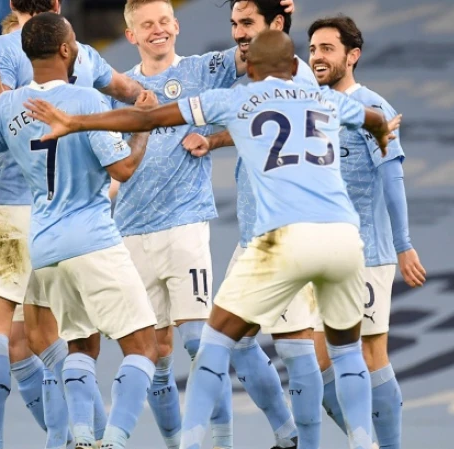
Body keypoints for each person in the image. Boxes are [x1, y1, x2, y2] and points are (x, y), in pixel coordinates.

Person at [24, 29, 396, 449]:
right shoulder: (326, 99)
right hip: (343, 237)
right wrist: (383, 135)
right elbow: (373, 118)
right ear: (296, 66)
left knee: (214, 342)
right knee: (347, 354)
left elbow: (147, 119)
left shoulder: (236, 100)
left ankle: (194, 443)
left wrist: (76, 122)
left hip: (283, 238)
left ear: (249, 70)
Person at [0, 1, 144, 447]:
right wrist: (145, 124)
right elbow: (127, 115)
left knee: (11, 338)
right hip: (87, 231)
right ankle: (101, 439)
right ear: (66, 44)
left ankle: (8, 441)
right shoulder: (86, 80)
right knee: (135, 347)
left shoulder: (4, 76)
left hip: (29, 231)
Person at [107, 1, 285, 445]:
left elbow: (257, 48)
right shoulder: (120, 88)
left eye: (164, 22)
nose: (157, 30)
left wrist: (281, 18)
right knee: (154, 354)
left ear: (177, 25)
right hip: (130, 230)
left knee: (198, 343)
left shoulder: (204, 69)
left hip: (185, 226)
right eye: (146, 25)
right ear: (131, 35)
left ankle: (222, 441)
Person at [181, 1, 322, 446]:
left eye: (247, 23)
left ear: (276, 24)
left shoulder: (291, 79)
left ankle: (313, 440)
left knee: (294, 347)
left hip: (284, 237)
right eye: (234, 24)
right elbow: (261, 126)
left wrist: (81, 121)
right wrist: (216, 140)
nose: (238, 33)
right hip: (255, 236)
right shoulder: (275, 78)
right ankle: (288, 434)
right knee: (237, 342)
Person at [308, 15, 426, 449]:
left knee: (372, 355)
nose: (317, 57)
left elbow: (392, 178)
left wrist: (404, 245)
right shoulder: (310, 106)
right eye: (312, 49)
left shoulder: (374, 108)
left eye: (327, 48)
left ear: (352, 56)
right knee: (315, 367)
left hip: (365, 253)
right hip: (317, 254)